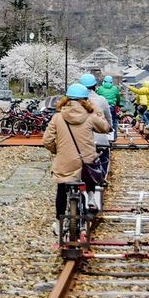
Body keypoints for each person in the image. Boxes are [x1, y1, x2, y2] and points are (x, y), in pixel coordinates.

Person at [42, 83, 111, 235]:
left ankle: (59, 223)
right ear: (85, 100)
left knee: (61, 188)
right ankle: (92, 197)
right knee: (90, 170)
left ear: (66, 99)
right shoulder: (90, 116)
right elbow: (105, 128)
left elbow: (47, 141)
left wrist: (57, 150)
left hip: (64, 162)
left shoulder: (57, 117)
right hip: (86, 161)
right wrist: (96, 110)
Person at [79, 73, 113, 206]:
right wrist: (109, 128)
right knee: (103, 157)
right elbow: (108, 119)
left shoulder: (70, 104)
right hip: (99, 139)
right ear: (94, 86)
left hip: (80, 142)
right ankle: (100, 179)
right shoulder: (101, 100)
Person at [96, 75, 122, 142]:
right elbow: (118, 97)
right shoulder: (115, 88)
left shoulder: (100, 88)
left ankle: (101, 136)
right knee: (113, 121)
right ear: (111, 82)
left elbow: (97, 96)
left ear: (104, 81)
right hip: (111, 106)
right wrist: (118, 103)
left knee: (101, 120)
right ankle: (114, 136)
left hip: (101, 107)